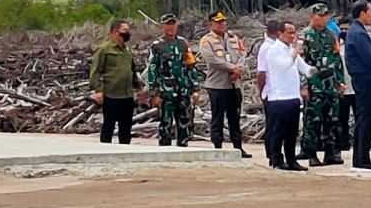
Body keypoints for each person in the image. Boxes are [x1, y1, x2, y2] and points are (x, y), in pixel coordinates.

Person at [199, 10, 251, 158]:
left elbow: (242, 55)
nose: (221, 25)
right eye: (218, 22)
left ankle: (238, 147)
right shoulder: (206, 40)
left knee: (235, 117)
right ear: (211, 24)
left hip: (234, 85)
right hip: (217, 85)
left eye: (223, 22)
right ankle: (218, 147)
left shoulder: (233, 38)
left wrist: (239, 69)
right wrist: (231, 68)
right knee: (218, 117)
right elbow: (212, 59)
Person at [300, 3, 346, 167]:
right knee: (313, 120)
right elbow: (301, 63)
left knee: (332, 120)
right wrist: (304, 85)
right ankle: (311, 153)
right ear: (312, 17)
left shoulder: (331, 35)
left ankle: (331, 153)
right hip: (314, 86)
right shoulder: (305, 36)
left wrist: (341, 81)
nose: (324, 18)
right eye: (320, 15)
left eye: (326, 15)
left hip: (330, 85)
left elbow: (337, 59)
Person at [267, 21, 317, 171]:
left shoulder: (290, 50)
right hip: (279, 97)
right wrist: (295, 52)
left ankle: (291, 159)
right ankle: (276, 159)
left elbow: (304, 68)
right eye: (289, 32)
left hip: (293, 96)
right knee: (279, 131)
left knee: (291, 132)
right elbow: (284, 65)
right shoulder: (274, 50)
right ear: (280, 33)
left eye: (294, 32)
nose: (292, 36)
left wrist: (316, 71)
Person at [344, 0, 371, 171]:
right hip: (364, 78)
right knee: (365, 117)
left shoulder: (355, 31)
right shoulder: (359, 33)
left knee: (363, 117)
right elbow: (369, 57)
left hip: (361, 78)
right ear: (362, 13)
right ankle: (362, 157)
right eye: (370, 12)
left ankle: (360, 156)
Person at [147, 13, 199, 147]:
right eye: (167, 24)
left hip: (183, 90)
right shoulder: (157, 46)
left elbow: (190, 66)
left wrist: (195, 88)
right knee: (165, 123)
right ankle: (164, 150)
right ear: (162, 26)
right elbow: (153, 70)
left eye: (173, 24)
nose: (171, 27)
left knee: (184, 121)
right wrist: (154, 93)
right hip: (166, 91)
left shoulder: (183, 43)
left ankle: (183, 148)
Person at [89, 19, 141, 144]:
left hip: (127, 95)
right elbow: (95, 72)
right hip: (111, 95)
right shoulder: (104, 49)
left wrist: (137, 88)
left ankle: (125, 152)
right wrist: (98, 90)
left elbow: (132, 70)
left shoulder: (127, 50)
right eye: (124, 31)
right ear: (114, 32)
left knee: (126, 128)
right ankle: (105, 152)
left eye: (128, 31)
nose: (127, 34)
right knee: (109, 126)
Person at [257, 20, 281, 160]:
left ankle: (274, 152)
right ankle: (271, 153)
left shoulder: (277, 47)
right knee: (272, 124)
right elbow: (261, 72)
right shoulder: (267, 47)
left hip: (278, 92)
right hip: (270, 91)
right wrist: (261, 90)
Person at [336, 19, 356, 152]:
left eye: (346, 29)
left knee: (359, 116)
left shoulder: (356, 44)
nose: (344, 32)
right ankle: (343, 142)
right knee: (342, 118)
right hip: (342, 87)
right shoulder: (336, 47)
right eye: (341, 29)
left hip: (356, 87)